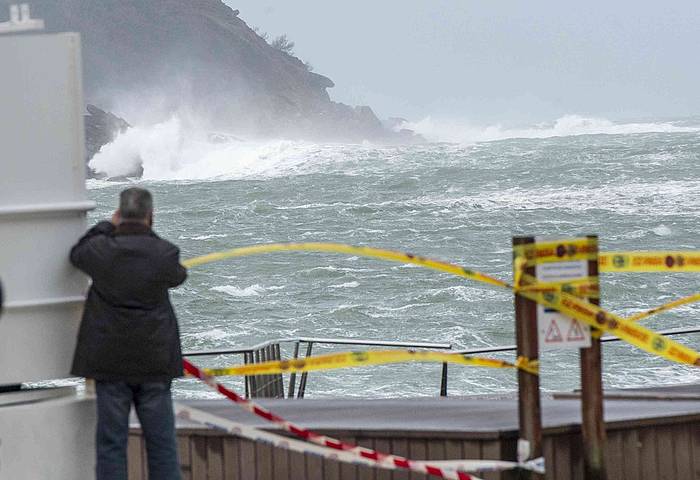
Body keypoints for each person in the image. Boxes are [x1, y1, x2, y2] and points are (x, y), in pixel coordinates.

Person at [70, 187, 187, 480]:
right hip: (154, 360)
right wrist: (148, 233)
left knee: (111, 443)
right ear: (150, 216)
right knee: (161, 444)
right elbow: (178, 275)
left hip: (111, 362)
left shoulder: (100, 251)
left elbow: (77, 252)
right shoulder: (164, 252)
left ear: (119, 214)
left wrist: (107, 226)